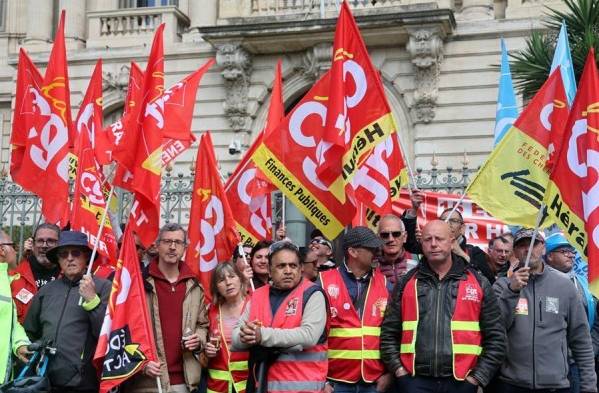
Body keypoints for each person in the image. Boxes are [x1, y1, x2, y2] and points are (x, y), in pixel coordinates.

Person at [380, 220, 505, 392]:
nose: (433, 244)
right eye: (427, 239)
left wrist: (476, 379)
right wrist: (400, 372)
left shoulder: (478, 282)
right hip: (415, 382)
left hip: (462, 383)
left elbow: (496, 338)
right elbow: (388, 333)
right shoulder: (406, 282)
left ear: (452, 242)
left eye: (439, 238)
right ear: (421, 244)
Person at [493, 229, 597, 392]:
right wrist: (511, 292)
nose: (528, 249)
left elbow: (581, 340)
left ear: (543, 248)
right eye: (522, 245)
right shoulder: (502, 285)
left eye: (534, 244)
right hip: (511, 384)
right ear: (515, 252)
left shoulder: (564, 285)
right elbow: (496, 330)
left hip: (556, 386)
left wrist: (589, 386)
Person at [123, 223, 209, 393]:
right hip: (149, 381)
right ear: (156, 245)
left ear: (185, 247)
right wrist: (141, 363)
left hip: (185, 381)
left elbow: (202, 325)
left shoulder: (194, 285)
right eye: (167, 241)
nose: (172, 247)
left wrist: (198, 339)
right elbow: (127, 329)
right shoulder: (139, 284)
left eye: (178, 242)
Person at [232, 241, 328, 393]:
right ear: (270, 270)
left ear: (301, 268)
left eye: (293, 265)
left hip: (303, 388)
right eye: (281, 266)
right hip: (263, 386)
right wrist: (246, 335)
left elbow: (309, 335)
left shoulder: (313, 293)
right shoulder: (257, 295)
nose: (288, 270)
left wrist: (262, 335)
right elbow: (235, 339)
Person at [24, 230, 111, 393]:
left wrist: (92, 300)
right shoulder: (46, 291)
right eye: (63, 254)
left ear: (86, 257)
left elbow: (107, 334)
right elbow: (30, 331)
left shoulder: (103, 287)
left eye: (76, 253)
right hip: (45, 382)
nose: (69, 258)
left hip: (85, 384)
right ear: (58, 260)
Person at [320, 226, 393, 393]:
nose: (378, 251)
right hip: (335, 382)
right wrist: (321, 380)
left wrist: (390, 374)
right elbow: (315, 338)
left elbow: (394, 333)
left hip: (374, 382)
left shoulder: (385, 284)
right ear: (352, 252)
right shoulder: (322, 283)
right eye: (372, 248)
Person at [545, 232, 596, 393]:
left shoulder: (584, 283)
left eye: (571, 251)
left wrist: (590, 348)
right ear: (549, 256)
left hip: (579, 362)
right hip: (548, 364)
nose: (570, 255)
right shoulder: (537, 283)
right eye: (564, 251)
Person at [204, 262, 249, 393]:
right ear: (216, 287)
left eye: (232, 276)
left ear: (240, 279)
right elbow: (202, 346)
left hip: (248, 383)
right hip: (218, 386)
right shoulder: (210, 311)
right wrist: (207, 351)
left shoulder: (255, 304)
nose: (228, 283)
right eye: (222, 280)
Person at [10, 223, 60, 323]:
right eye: (40, 241)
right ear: (33, 244)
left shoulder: (70, 277)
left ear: (60, 244)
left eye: (50, 241)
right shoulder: (14, 276)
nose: (44, 246)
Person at [0, 230, 31, 384]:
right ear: (2, 250)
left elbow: (9, 322)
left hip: (4, 377)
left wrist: (20, 344)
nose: (16, 250)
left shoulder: (5, 280)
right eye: (13, 246)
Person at [375, 214, 418, 285]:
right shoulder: (369, 266)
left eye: (396, 234)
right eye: (385, 235)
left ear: (404, 237)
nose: (390, 239)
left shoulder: (418, 261)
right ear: (378, 238)